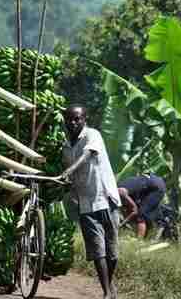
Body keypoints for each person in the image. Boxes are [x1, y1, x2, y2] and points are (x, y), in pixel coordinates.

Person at [60, 104, 120, 299]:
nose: (73, 122)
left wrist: (70, 170)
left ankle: (109, 286)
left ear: (85, 119)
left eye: (77, 119)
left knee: (112, 253)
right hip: (86, 204)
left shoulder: (92, 135)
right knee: (97, 251)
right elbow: (70, 177)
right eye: (69, 119)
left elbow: (88, 155)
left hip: (106, 199)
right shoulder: (65, 146)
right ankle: (106, 292)